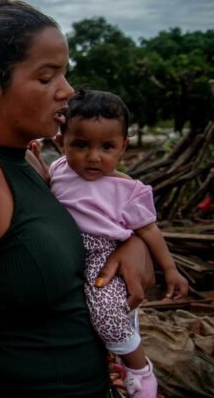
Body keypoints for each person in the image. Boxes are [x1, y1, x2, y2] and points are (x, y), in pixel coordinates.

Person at [0, 0, 155, 397]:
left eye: (63, 72)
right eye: (46, 77)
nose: (68, 90)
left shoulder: (29, 161)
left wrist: (132, 244)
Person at [50, 88, 188, 398]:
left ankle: (141, 372)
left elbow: (150, 231)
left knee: (106, 314)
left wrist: (171, 270)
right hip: (67, 250)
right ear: (62, 143)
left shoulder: (128, 190)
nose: (94, 156)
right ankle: (119, 362)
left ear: (123, 147)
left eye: (107, 146)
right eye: (81, 145)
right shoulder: (59, 170)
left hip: (103, 254)